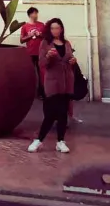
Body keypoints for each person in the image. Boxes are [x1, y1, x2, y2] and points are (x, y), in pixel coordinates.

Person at [28, 18, 76, 154]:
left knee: (62, 113)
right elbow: (42, 63)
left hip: (67, 81)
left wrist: (73, 60)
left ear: (62, 29)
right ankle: (39, 140)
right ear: (49, 30)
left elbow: (69, 58)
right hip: (52, 82)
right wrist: (48, 56)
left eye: (58, 28)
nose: (56, 31)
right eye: (53, 28)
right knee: (50, 113)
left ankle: (61, 141)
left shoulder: (66, 43)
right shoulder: (45, 43)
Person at [21, 8, 48, 99]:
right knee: (31, 73)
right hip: (30, 52)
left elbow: (46, 36)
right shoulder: (25, 26)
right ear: (30, 15)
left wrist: (39, 34)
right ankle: (30, 93)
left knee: (42, 73)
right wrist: (30, 35)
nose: (36, 15)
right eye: (34, 13)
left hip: (40, 52)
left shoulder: (41, 25)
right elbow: (21, 40)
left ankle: (42, 92)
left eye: (37, 13)